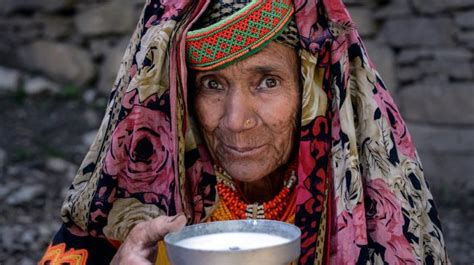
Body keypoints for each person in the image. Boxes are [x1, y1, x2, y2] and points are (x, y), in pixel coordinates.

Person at [40, 0, 450, 264]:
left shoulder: (368, 209)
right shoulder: (135, 201)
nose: (236, 120)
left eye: (267, 81)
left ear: (312, 88)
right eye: (212, 84)